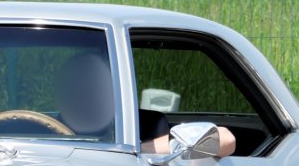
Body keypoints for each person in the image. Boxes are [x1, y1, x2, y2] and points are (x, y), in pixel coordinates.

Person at [55, 52, 236, 155]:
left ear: (112, 94)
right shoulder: (42, 133)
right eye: (73, 90)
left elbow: (226, 139)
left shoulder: (143, 129)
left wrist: (141, 150)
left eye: (92, 90)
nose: (83, 98)